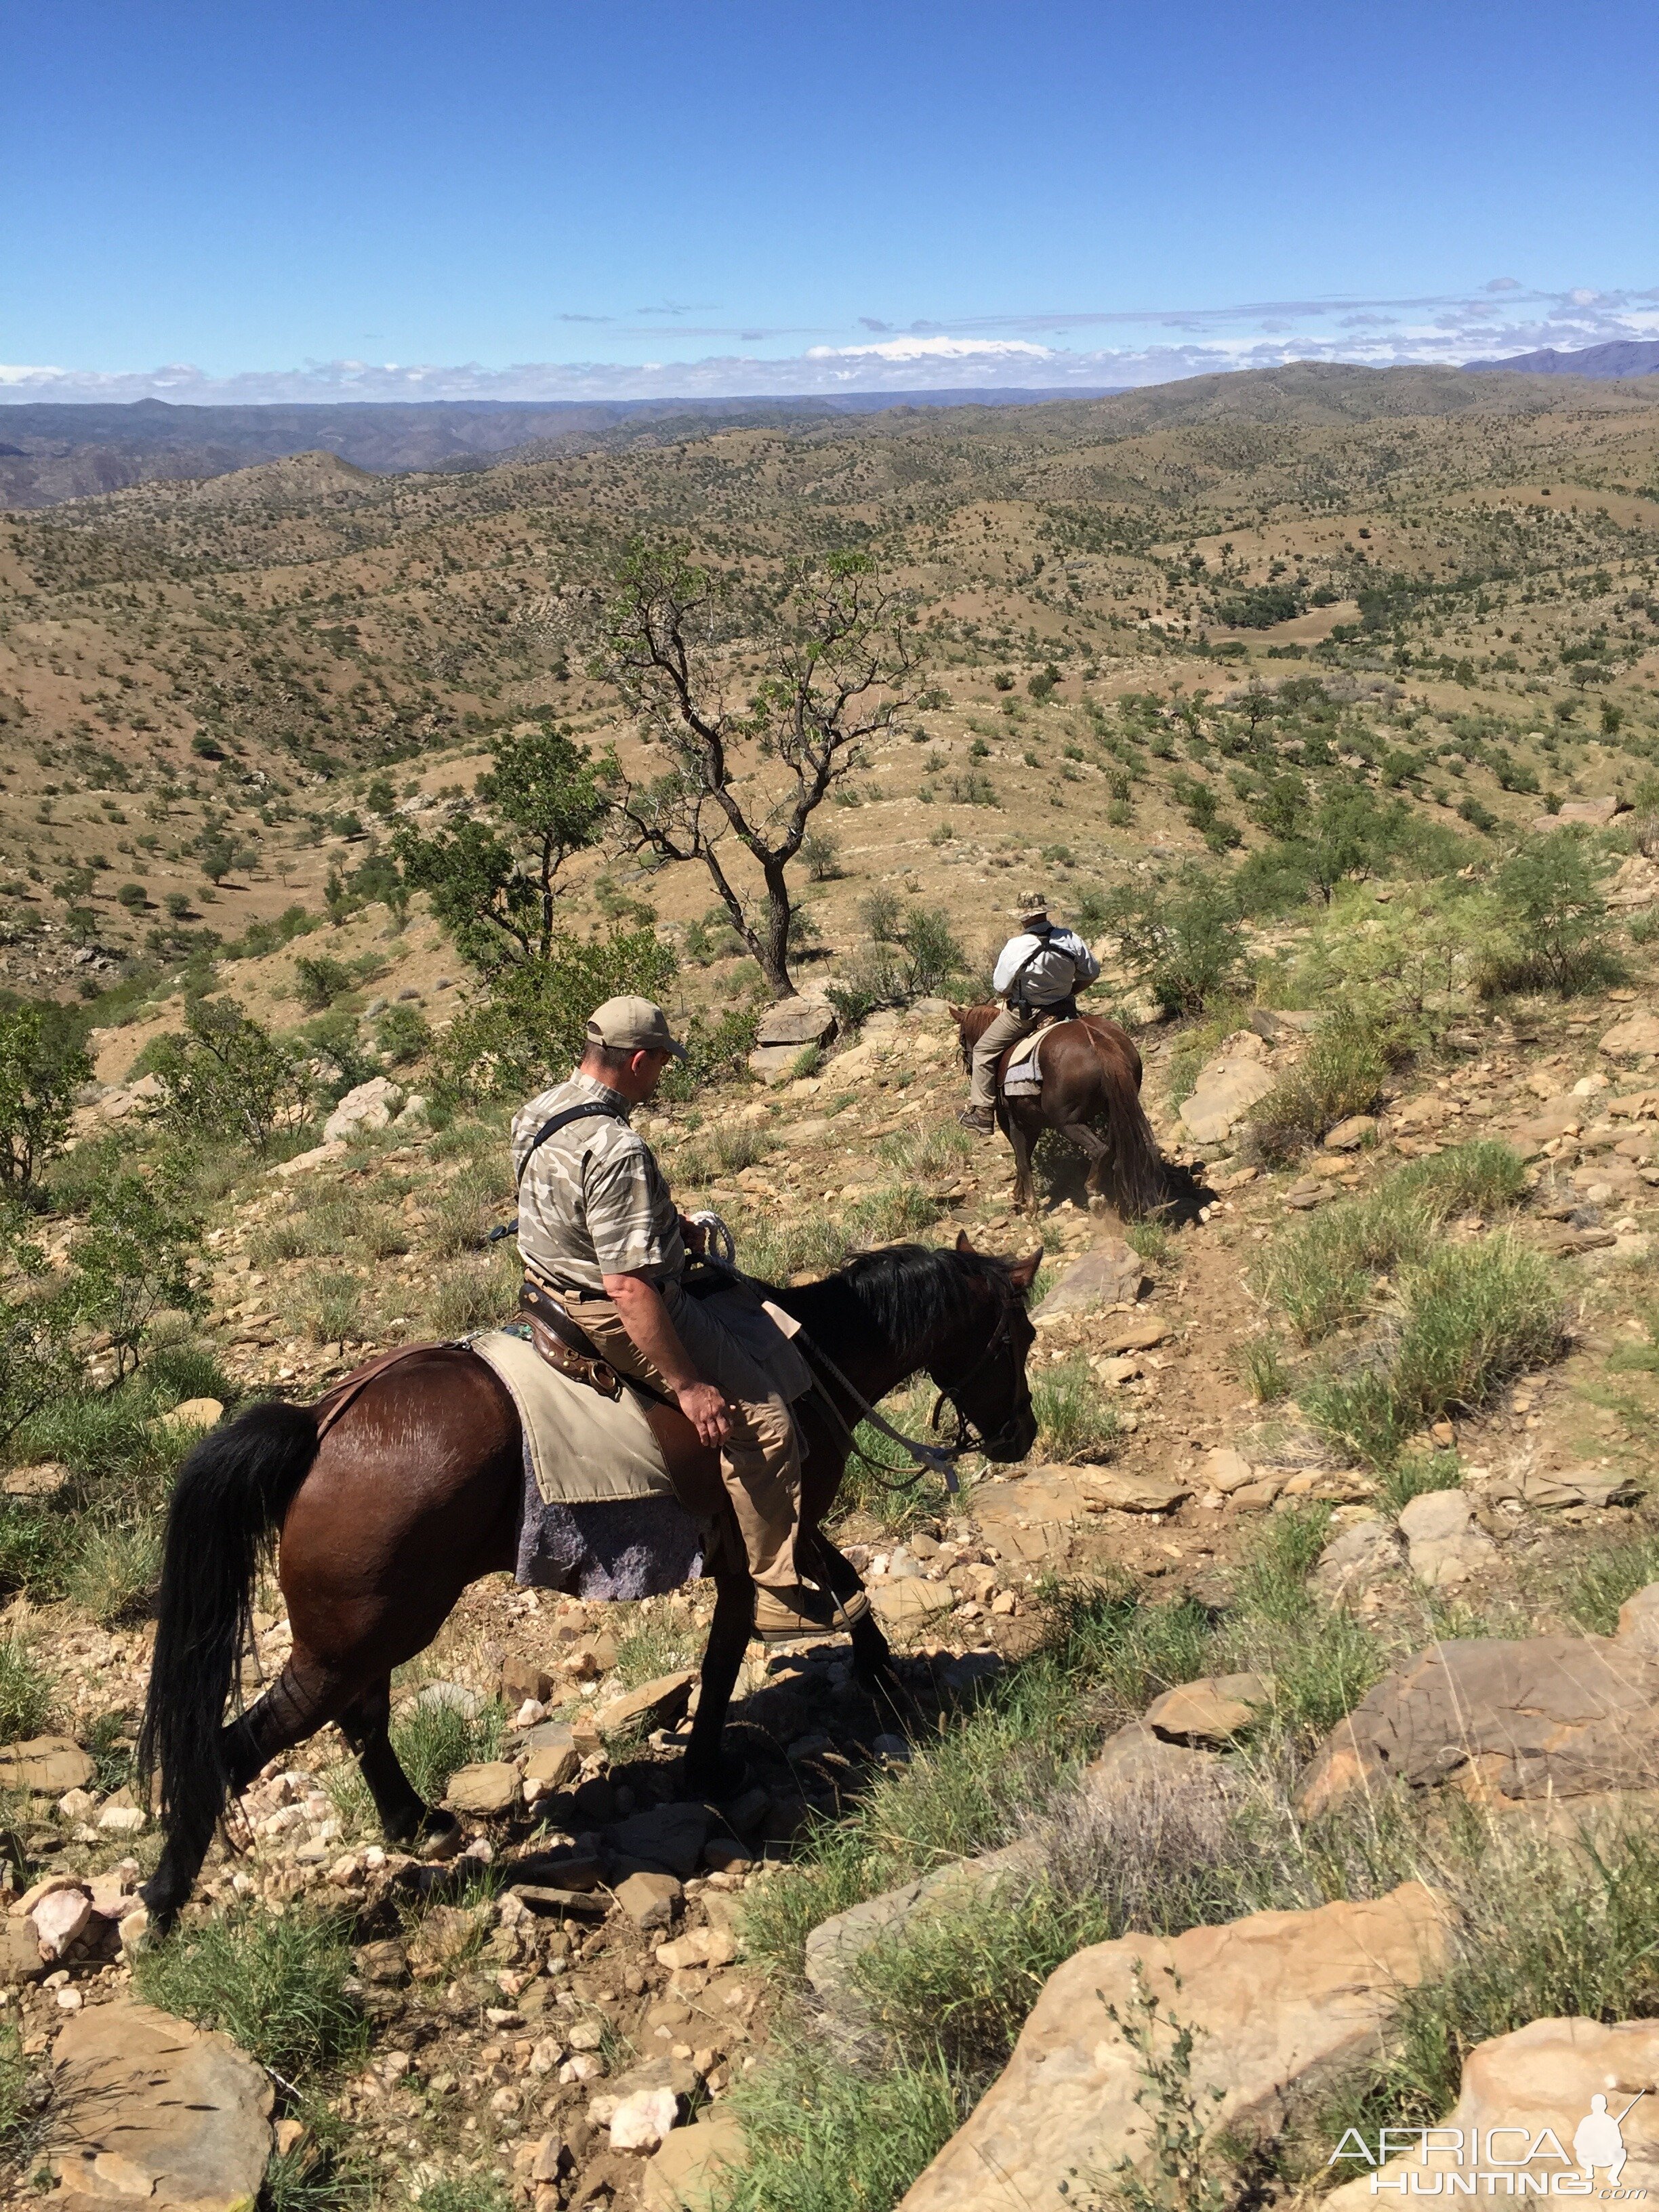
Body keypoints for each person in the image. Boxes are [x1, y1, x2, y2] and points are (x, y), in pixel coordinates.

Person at [512, 995, 834, 1643]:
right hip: (609, 1307)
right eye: (659, 1063)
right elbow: (629, 1287)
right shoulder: (617, 1144)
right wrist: (689, 1387)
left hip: (544, 1285)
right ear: (636, 1060)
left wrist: (664, 1225)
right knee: (766, 1424)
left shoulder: (538, 1110)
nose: (660, 1076)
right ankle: (776, 1593)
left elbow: (568, 1204)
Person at [960, 892, 1101, 1132]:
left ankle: (983, 1111)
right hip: (1065, 1009)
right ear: (1045, 912)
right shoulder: (1070, 938)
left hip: (1026, 1015)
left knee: (983, 1050)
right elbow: (1091, 972)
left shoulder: (1016, 946)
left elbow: (1001, 988)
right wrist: (1069, 992)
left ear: (1022, 918)